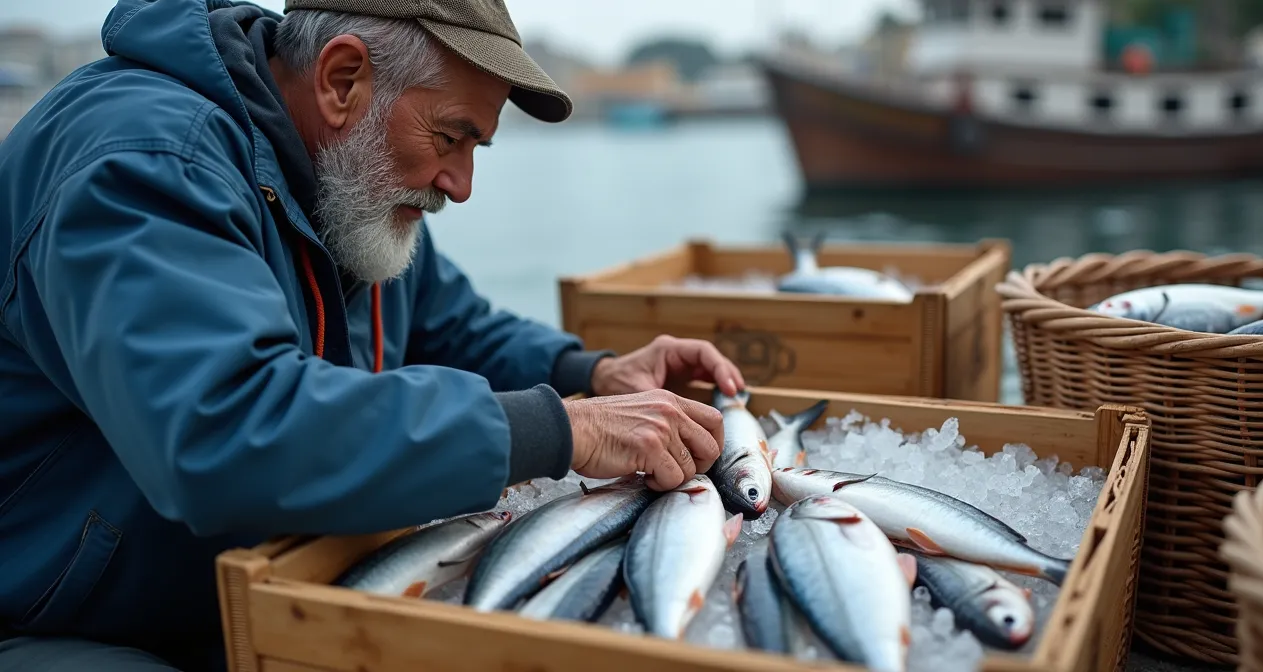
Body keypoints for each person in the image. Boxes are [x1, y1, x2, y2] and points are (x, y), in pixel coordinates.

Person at [0, 0, 746, 669]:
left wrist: (594, 371)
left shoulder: (346, 178)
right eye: (452, 136)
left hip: (247, 593)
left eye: (476, 149)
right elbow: (226, 428)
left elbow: (454, 326)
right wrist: (563, 427)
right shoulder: (142, 162)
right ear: (343, 79)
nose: (461, 184)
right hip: (65, 623)